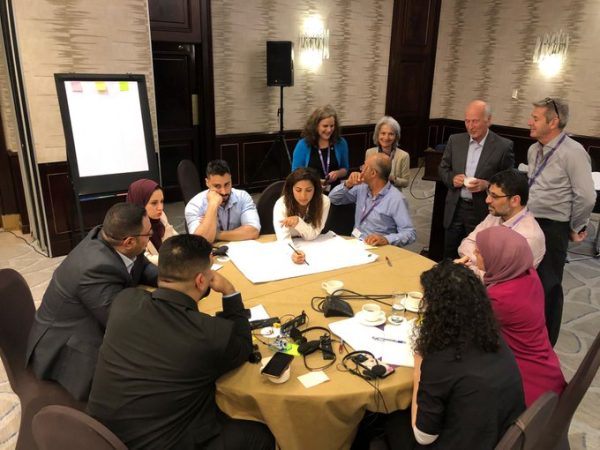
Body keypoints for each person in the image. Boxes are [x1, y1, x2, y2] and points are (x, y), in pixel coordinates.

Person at [87, 234, 274, 450]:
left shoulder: (125, 301)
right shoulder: (208, 334)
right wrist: (230, 293)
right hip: (164, 442)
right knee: (260, 434)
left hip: (100, 435)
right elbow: (242, 345)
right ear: (201, 280)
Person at [384, 261, 525, 449]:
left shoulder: (442, 359)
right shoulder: (493, 338)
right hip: (495, 436)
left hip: (459, 442)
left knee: (385, 418)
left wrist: (419, 368)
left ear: (438, 310)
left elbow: (423, 436)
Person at [26, 203, 158, 401]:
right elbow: (122, 323)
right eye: (149, 234)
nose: (152, 236)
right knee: (148, 369)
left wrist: (176, 280)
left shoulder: (110, 238)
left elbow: (142, 267)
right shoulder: (95, 267)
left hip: (89, 321)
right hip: (66, 348)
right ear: (129, 242)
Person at [526, 97, 596, 346]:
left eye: (535, 118)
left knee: (548, 285)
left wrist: (576, 226)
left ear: (553, 121)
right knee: (525, 281)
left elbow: (586, 197)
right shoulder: (534, 149)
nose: (529, 122)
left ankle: (545, 344)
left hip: (553, 226)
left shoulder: (573, 152)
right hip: (529, 221)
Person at [475, 226, 566, 406]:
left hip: (523, 383)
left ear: (498, 256)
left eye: (481, 251)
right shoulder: (528, 274)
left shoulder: (500, 297)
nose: (475, 253)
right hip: (547, 370)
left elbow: (466, 325)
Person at [438, 100, 515, 258]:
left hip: (482, 210)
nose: (470, 126)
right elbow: (443, 169)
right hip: (455, 207)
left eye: (475, 121)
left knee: (476, 255)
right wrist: (452, 179)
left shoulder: (503, 146)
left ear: (488, 120)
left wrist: (487, 185)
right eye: (467, 121)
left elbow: (508, 181)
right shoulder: (455, 141)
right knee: (450, 254)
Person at [457, 168, 545, 277]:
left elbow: (500, 278)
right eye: (488, 193)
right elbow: (466, 244)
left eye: (494, 196)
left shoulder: (529, 236)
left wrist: (471, 264)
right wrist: (480, 263)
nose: (487, 200)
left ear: (515, 200)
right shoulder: (494, 216)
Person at [329, 153, 416, 247]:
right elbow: (333, 199)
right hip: (355, 244)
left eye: (364, 166)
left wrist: (386, 239)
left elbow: (410, 233)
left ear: (373, 173)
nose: (360, 169)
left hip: (378, 249)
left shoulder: (396, 199)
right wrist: (348, 184)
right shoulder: (361, 188)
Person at [185, 159, 261, 243]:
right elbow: (199, 242)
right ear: (207, 183)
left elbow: (253, 231)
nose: (224, 191)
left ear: (231, 179)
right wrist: (212, 205)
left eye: (227, 184)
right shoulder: (194, 205)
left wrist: (215, 234)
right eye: (217, 186)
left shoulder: (243, 197)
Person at [273, 167, 330, 264]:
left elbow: (313, 234)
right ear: (291, 189)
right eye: (298, 190)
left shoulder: (324, 201)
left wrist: (298, 222)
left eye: (308, 190)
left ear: (315, 189)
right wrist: (292, 253)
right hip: (289, 246)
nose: (303, 196)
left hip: (313, 246)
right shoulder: (281, 204)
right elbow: (283, 238)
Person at [291, 105, 349, 191]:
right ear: (315, 126)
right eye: (325, 126)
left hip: (335, 193)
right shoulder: (303, 145)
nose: (329, 130)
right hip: (310, 193)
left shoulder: (341, 143)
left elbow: (345, 169)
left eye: (332, 126)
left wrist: (338, 173)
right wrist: (315, 181)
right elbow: (296, 175)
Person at [126, 178, 178, 265]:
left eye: (162, 201)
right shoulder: (130, 228)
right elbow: (144, 259)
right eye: (154, 203)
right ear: (140, 202)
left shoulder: (161, 217)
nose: (160, 208)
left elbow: (176, 238)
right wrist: (175, 259)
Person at [365, 116, 410, 190]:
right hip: (373, 193)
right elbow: (366, 177)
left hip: (394, 196)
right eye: (383, 133)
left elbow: (406, 182)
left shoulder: (404, 156)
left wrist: (393, 179)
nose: (386, 138)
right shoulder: (369, 152)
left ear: (396, 136)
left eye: (391, 134)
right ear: (377, 135)